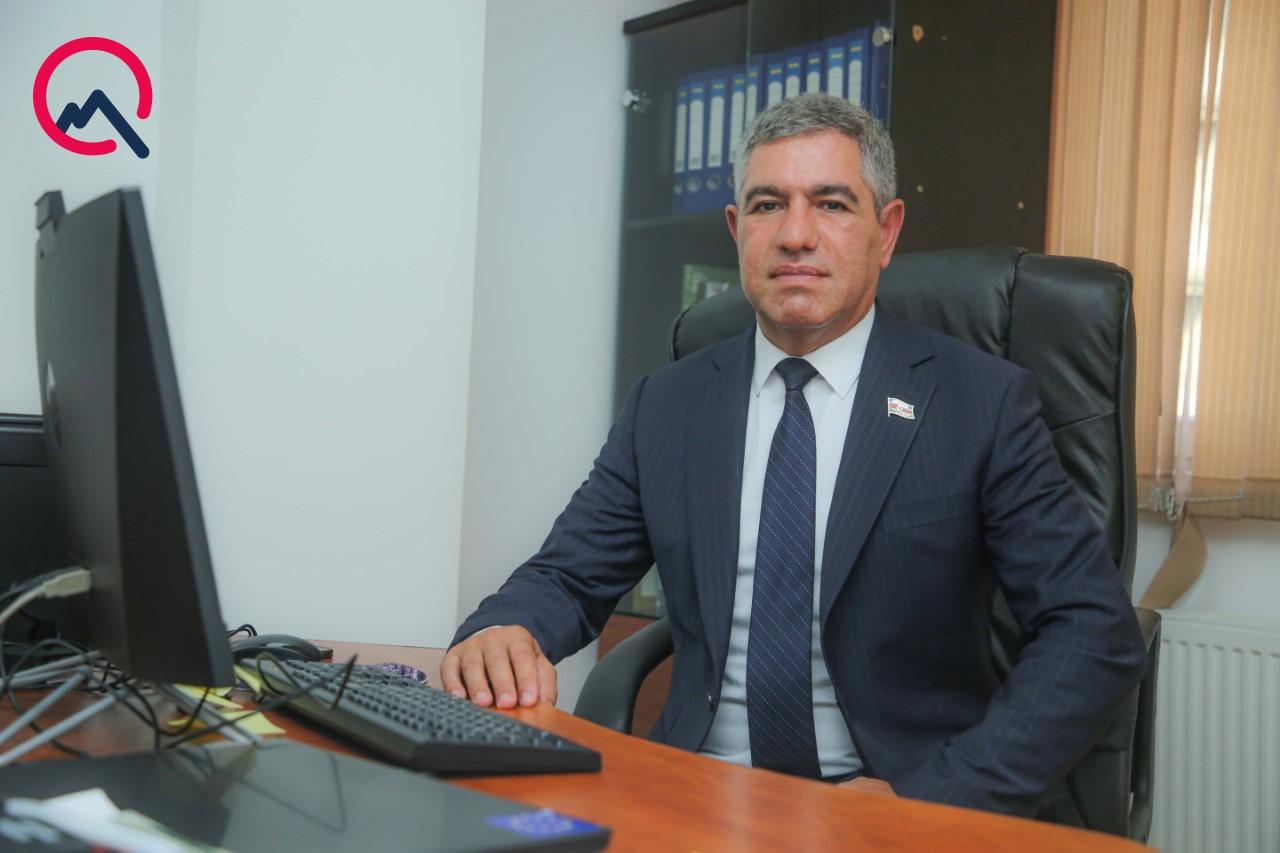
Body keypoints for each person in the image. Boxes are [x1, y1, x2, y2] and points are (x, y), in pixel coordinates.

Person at [442, 92, 1146, 816]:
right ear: (736, 229)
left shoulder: (979, 402)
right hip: (693, 792)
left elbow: (1092, 631)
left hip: (892, 805)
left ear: (886, 231)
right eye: (768, 205)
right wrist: (506, 628)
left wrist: (927, 795)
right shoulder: (668, 403)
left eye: (832, 204)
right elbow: (567, 574)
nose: (795, 235)